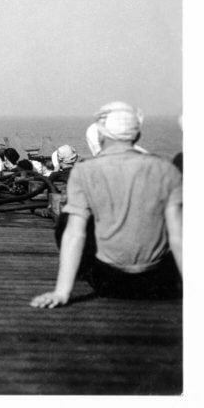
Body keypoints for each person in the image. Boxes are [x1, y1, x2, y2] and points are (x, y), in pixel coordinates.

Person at [30, 102, 182, 308]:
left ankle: (76, 278)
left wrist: (61, 292)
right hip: (159, 282)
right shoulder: (166, 169)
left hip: (109, 282)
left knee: (69, 218)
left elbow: (75, 234)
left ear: (101, 135)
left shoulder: (85, 172)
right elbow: (178, 236)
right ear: (136, 135)